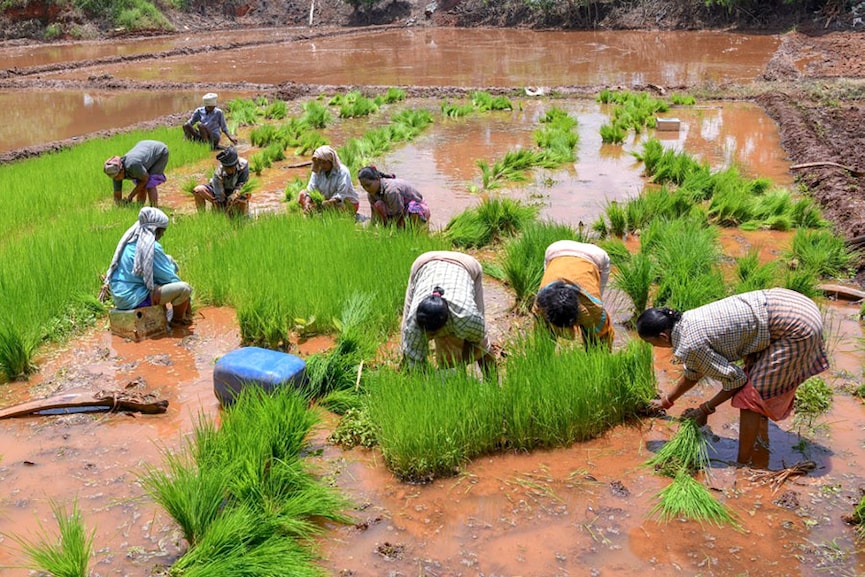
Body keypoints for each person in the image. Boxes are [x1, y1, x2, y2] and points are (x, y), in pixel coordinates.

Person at [636, 288, 830, 467]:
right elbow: (693, 373)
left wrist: (705, 409)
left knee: (749, 396)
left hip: (798, 326)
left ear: (663, 336)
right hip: (791, 303)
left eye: (651, 343)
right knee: (756, 377)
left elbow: (736, 380)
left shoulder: (690, 345)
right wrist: (666, 402)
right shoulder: (686, 322)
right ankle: (758, 431)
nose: (653, 347)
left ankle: (742, 463)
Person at [401, 251, 495, 372]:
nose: (432, 337)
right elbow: (414, 360)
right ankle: (402, 374)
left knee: (481, 346)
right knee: (406, 343)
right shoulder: (413, 324)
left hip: (466, 265)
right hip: (423, 264)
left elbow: (479, 340)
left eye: (434, 333)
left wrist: (460, 361)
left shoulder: (466, 317)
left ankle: (494, 384)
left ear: (447, 321)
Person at [104, 207, 193, 327]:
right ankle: (176, 322)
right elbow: (170, 279)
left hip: (121, 296)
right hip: (134, 298)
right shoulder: (153, 247)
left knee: (169, 259)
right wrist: (187, 304)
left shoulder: (130, 241)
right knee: (184, 289)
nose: (163, 234)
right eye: (162, 231)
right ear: (155, 230)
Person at [533, 240, 613, 350]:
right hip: (555, 251)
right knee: (546, 330)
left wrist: (603, 354)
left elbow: (605, 334)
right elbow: (539, 330)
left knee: (593, 332)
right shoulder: (541, 303)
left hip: (595, 257)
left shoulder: (593, 308)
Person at [103, 140, 169, 207]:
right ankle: (139, 206)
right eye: (114, 178)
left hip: (159, 151)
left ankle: (154, 209)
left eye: (117, 177)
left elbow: (145, 179)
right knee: (141, 183)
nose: (116, 179)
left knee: (150, 183)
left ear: (122, 170)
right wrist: (120, 204)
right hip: (144, 150)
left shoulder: (132, 165)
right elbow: (117, 194)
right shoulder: (115, 172)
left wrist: (130, 196)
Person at [358, 166, 430, 227]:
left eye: (368, 185)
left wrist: (393, 229)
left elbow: (398, 213)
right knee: (378, 205)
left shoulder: (391, 191)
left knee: (413, 208)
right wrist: (371, 227)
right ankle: (388, 227)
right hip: (398, 210)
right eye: (363, 186)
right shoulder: (371, 194)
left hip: (417, 210)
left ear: (377, 179)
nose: (366, 189)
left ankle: (415, 230)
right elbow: (374, 213)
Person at [298, 146, 360, 214]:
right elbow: (311, 189)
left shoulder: (342, 172)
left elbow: (341, 195)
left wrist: (327, 204)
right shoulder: (317, 170)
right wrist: (307, 203)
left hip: (343, 202)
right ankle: (311, 214)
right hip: (326, 202)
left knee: (340, 207)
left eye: (324, 163)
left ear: (331, 161)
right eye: (319, 162)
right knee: (302, 194)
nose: (321, 165)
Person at [191, 146, 250, 216]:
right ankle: (202, 217)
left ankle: (241, 219)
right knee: (198, 190)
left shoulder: (244, 165)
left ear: (236, 164)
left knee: (242, 200)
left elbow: (242, 184)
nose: (229, 171)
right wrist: (220, 203)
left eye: (232, 167)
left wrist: (235, 194)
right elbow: (219, 195)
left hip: (235, 190)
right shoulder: (219, 172)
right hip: (220, 191)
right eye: (227, 168)